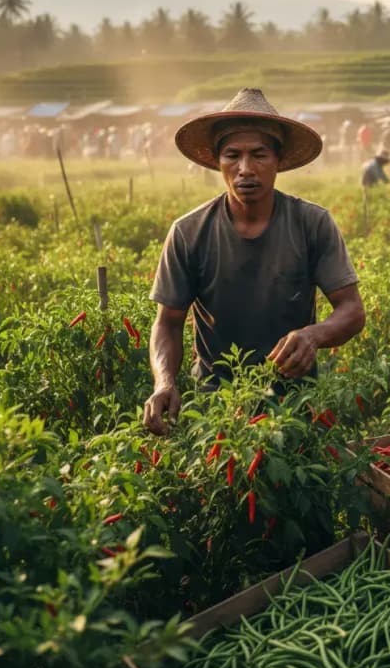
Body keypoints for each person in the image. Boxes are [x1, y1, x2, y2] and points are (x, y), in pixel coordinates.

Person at [143, 88, 366, 436]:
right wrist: (165, 381)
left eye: (259, 154)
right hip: (216, 404)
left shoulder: (311, 223)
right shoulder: (189, 232)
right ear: (218, 162)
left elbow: (351, 309)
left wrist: (313, 336)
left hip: (296, 404)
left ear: (278, 160)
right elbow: (168, 323)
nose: (245, 168)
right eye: (233, 155)